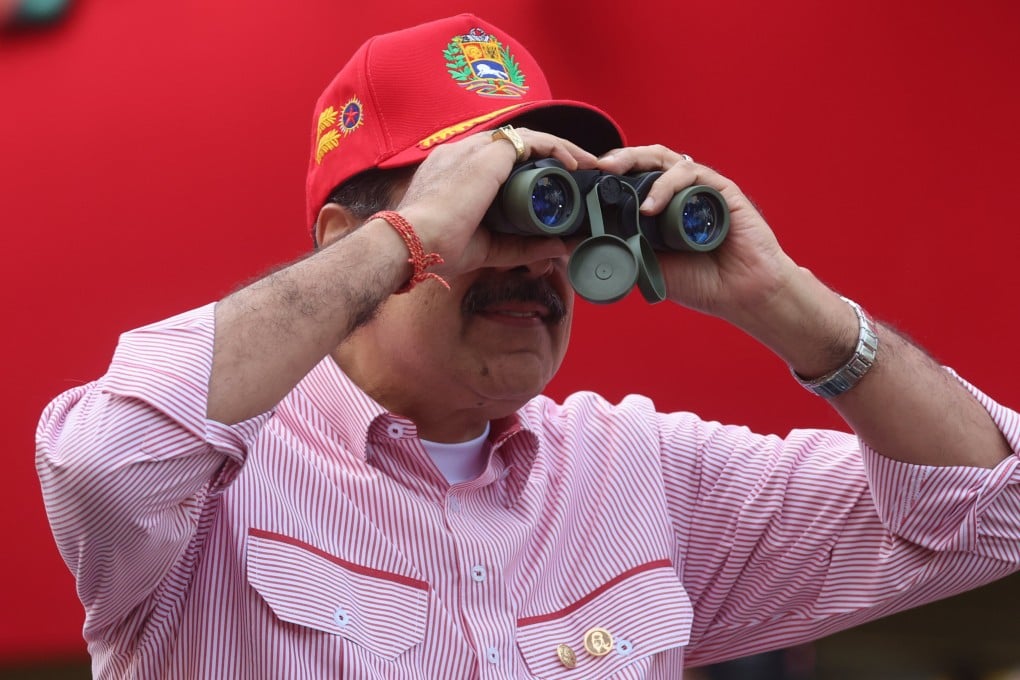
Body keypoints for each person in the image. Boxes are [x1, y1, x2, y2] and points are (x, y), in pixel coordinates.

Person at [36, 13, 1019, 679]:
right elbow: (99, 460)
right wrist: (409, 243)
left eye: (555, 210)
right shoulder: (214, 481)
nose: (539, 255)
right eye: (488, 208)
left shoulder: (643, 475)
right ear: (352, 240)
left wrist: (786, 302)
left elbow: (993, 512)